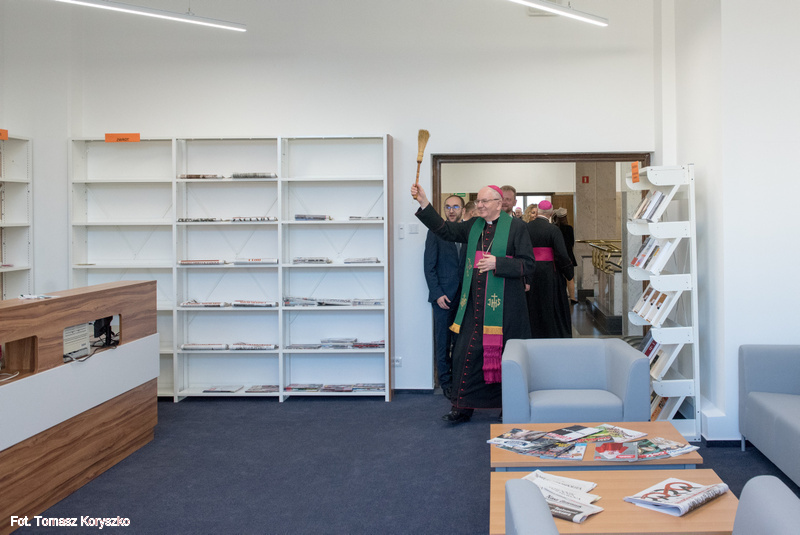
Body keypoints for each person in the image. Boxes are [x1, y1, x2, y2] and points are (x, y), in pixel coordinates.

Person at [411, 182, 534, 424]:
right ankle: (462, 406)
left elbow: (528, 264)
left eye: (484, 201)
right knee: (463, 354)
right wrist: (424, 202)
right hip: (475, 306)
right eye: (478, 201)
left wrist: (498, 263)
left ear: (499, 203)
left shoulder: (517, 227)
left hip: (506, 308)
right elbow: (445, 230)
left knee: (505, 357)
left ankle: (506, 406)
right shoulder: (473, 225)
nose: (479, 205)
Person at [423, 195, 466, 398]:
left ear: (462, 210)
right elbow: (429, 267)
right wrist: (437, 293)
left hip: (464, 299)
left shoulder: (467, 232)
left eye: (455, 206)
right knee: (443, 341)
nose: (451, 210)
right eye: (448, 207)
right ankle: (445, 382)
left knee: (461, 342)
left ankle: (459, 379)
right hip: (443, 298)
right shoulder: (435, 232)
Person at [526, 200, 574, 338]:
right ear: (552, 213)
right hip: (550, 273)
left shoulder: (526, 227)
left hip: (530, 271)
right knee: (551, 304)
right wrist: (568, 272)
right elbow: (562, 255)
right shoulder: (553, 229)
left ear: (538, 211)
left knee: (532, 304)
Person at [552, 207, 578, 303]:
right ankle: (572, 297)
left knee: (558, 277)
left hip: (556, 255)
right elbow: (572, 243)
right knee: (570, 277)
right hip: (568, 255)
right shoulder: (569, 228)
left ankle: (560, 297)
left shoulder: (554, 228)